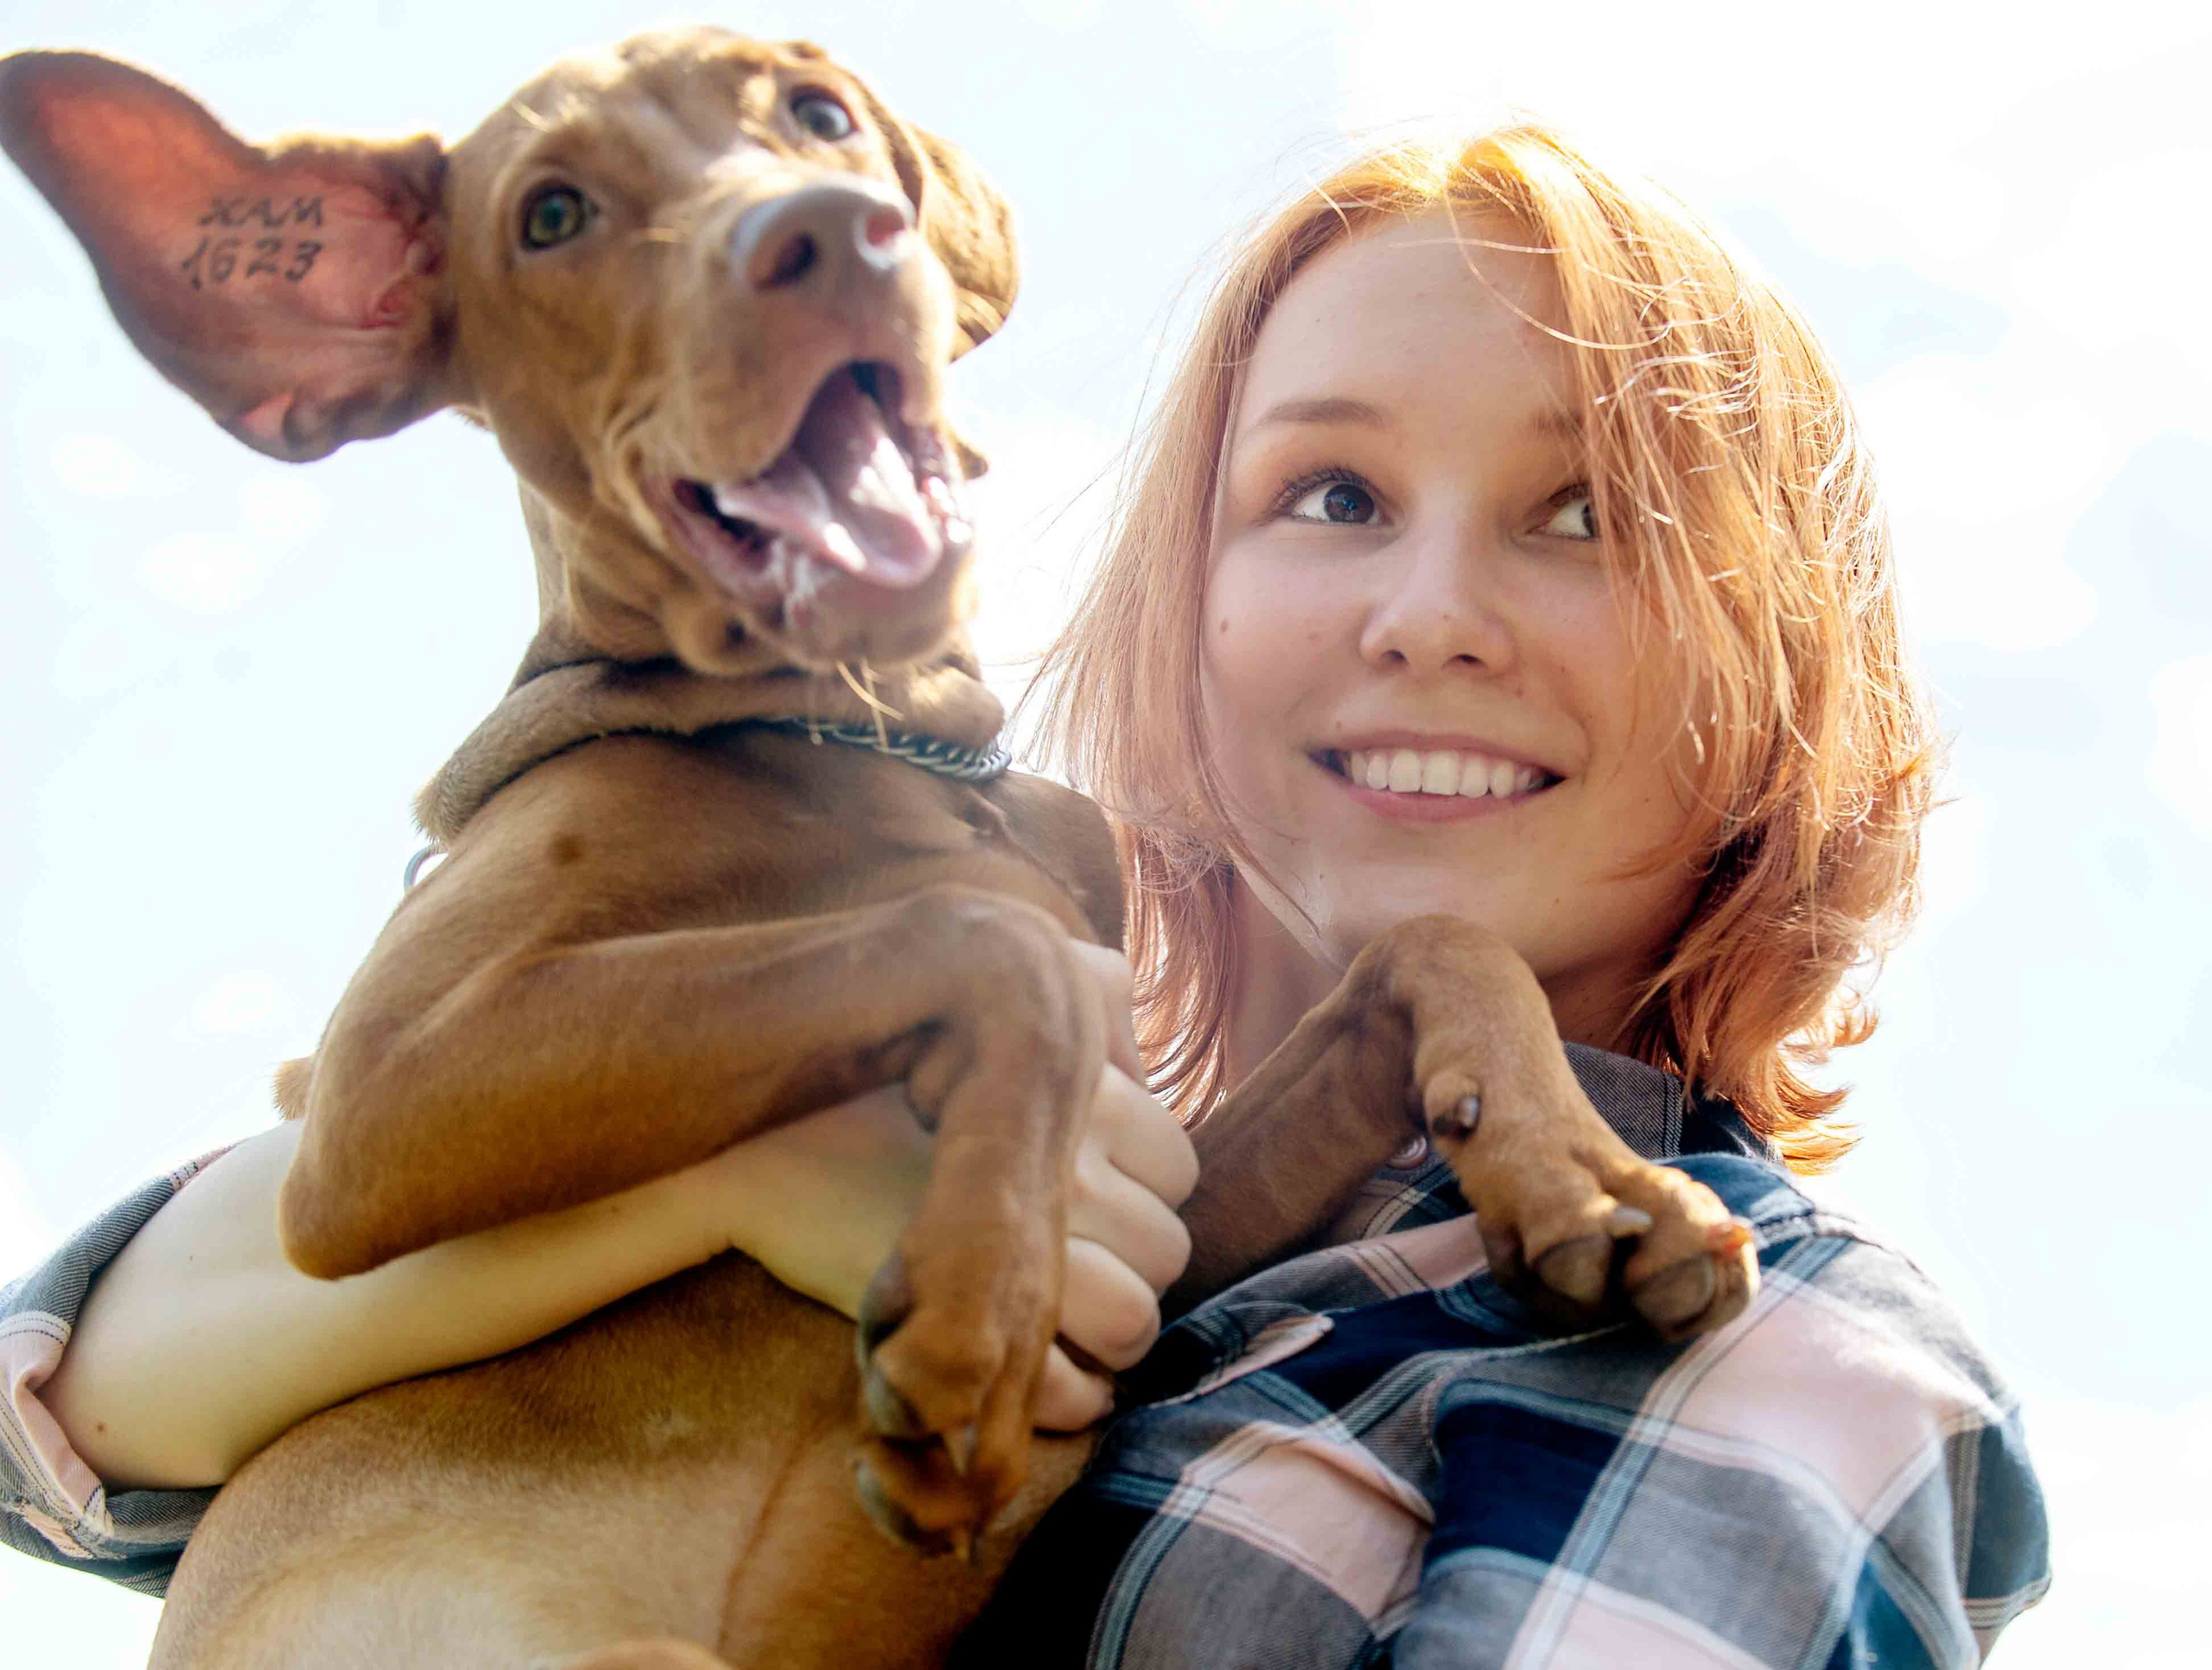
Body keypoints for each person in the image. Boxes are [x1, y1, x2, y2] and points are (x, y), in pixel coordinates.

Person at [2, 124, 2048, 1665]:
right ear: (1186, 608)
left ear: (1778, 680)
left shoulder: (1776, 1358)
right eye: (1326, 495)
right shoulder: (947, 1077)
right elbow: (77, 1421)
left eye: (1584, 514)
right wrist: (726, 1193)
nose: (1430, 614)